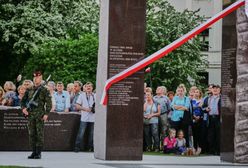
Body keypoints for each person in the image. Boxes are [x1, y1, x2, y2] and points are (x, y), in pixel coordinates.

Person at [21, 71, 52, 159]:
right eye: (34, 77)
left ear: (41, 78)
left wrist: (46, 114)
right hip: (30, 115)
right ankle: (33, 152)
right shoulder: (29, 89)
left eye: (38, 77)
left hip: (40, 115)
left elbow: (49, 103)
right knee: (31, 134)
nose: (35, 79)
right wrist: (23, 109)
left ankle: (38, 153)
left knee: (39, 134)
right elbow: (23, 101)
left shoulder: (44, 89)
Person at [74, 82, 96, 152]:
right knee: (81, 133)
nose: (88, 88)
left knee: (91, 134)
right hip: (84, 117)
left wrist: (94, 109)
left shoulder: (95, 96)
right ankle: (77, 147)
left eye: (90, 86)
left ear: (92, 88)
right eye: (87, 86)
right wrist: (86, 109)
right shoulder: (82, 95)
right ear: (85, 88)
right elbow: (77, 106)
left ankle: (89, 148)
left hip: (93, 118)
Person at [205, 84, 221, 155]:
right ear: (212, 90)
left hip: (218, 118)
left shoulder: (223, 98)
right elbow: (203, 107)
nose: (215, 90)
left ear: (219, 90)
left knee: (218, 135)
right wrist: (206, 109)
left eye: (217, 89)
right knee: (211, 135)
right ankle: (212, 151)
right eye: (214, 89)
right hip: (210, 118)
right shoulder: (209, 98)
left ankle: (218, 151)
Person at [191, 88, 204, 155]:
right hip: (193, 119)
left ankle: (200, 148)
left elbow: (203, 110)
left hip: (200, 119)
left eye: (197, 92)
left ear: (199, 93)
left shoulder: (202, 101)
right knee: (194, 134)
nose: (196, 93)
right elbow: (191, 110)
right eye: (195, 92)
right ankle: (194, 147)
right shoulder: (191, 101)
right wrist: (194, 116)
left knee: (200, 135)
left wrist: (199, 116)